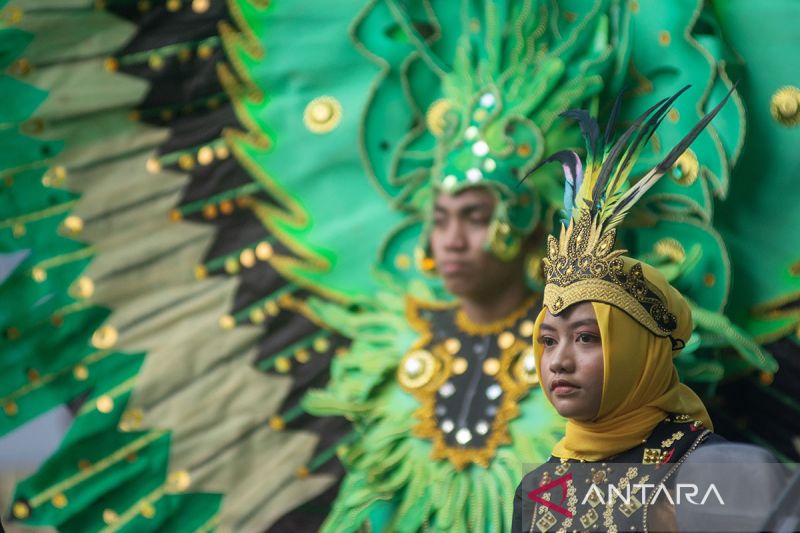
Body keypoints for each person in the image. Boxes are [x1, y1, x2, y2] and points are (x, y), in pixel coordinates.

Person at [511, 86, 734, 532]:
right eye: (548, 340)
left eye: (587, 337)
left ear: (640, 352)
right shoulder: (538, 489)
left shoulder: (707, 471)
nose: (559, 362)